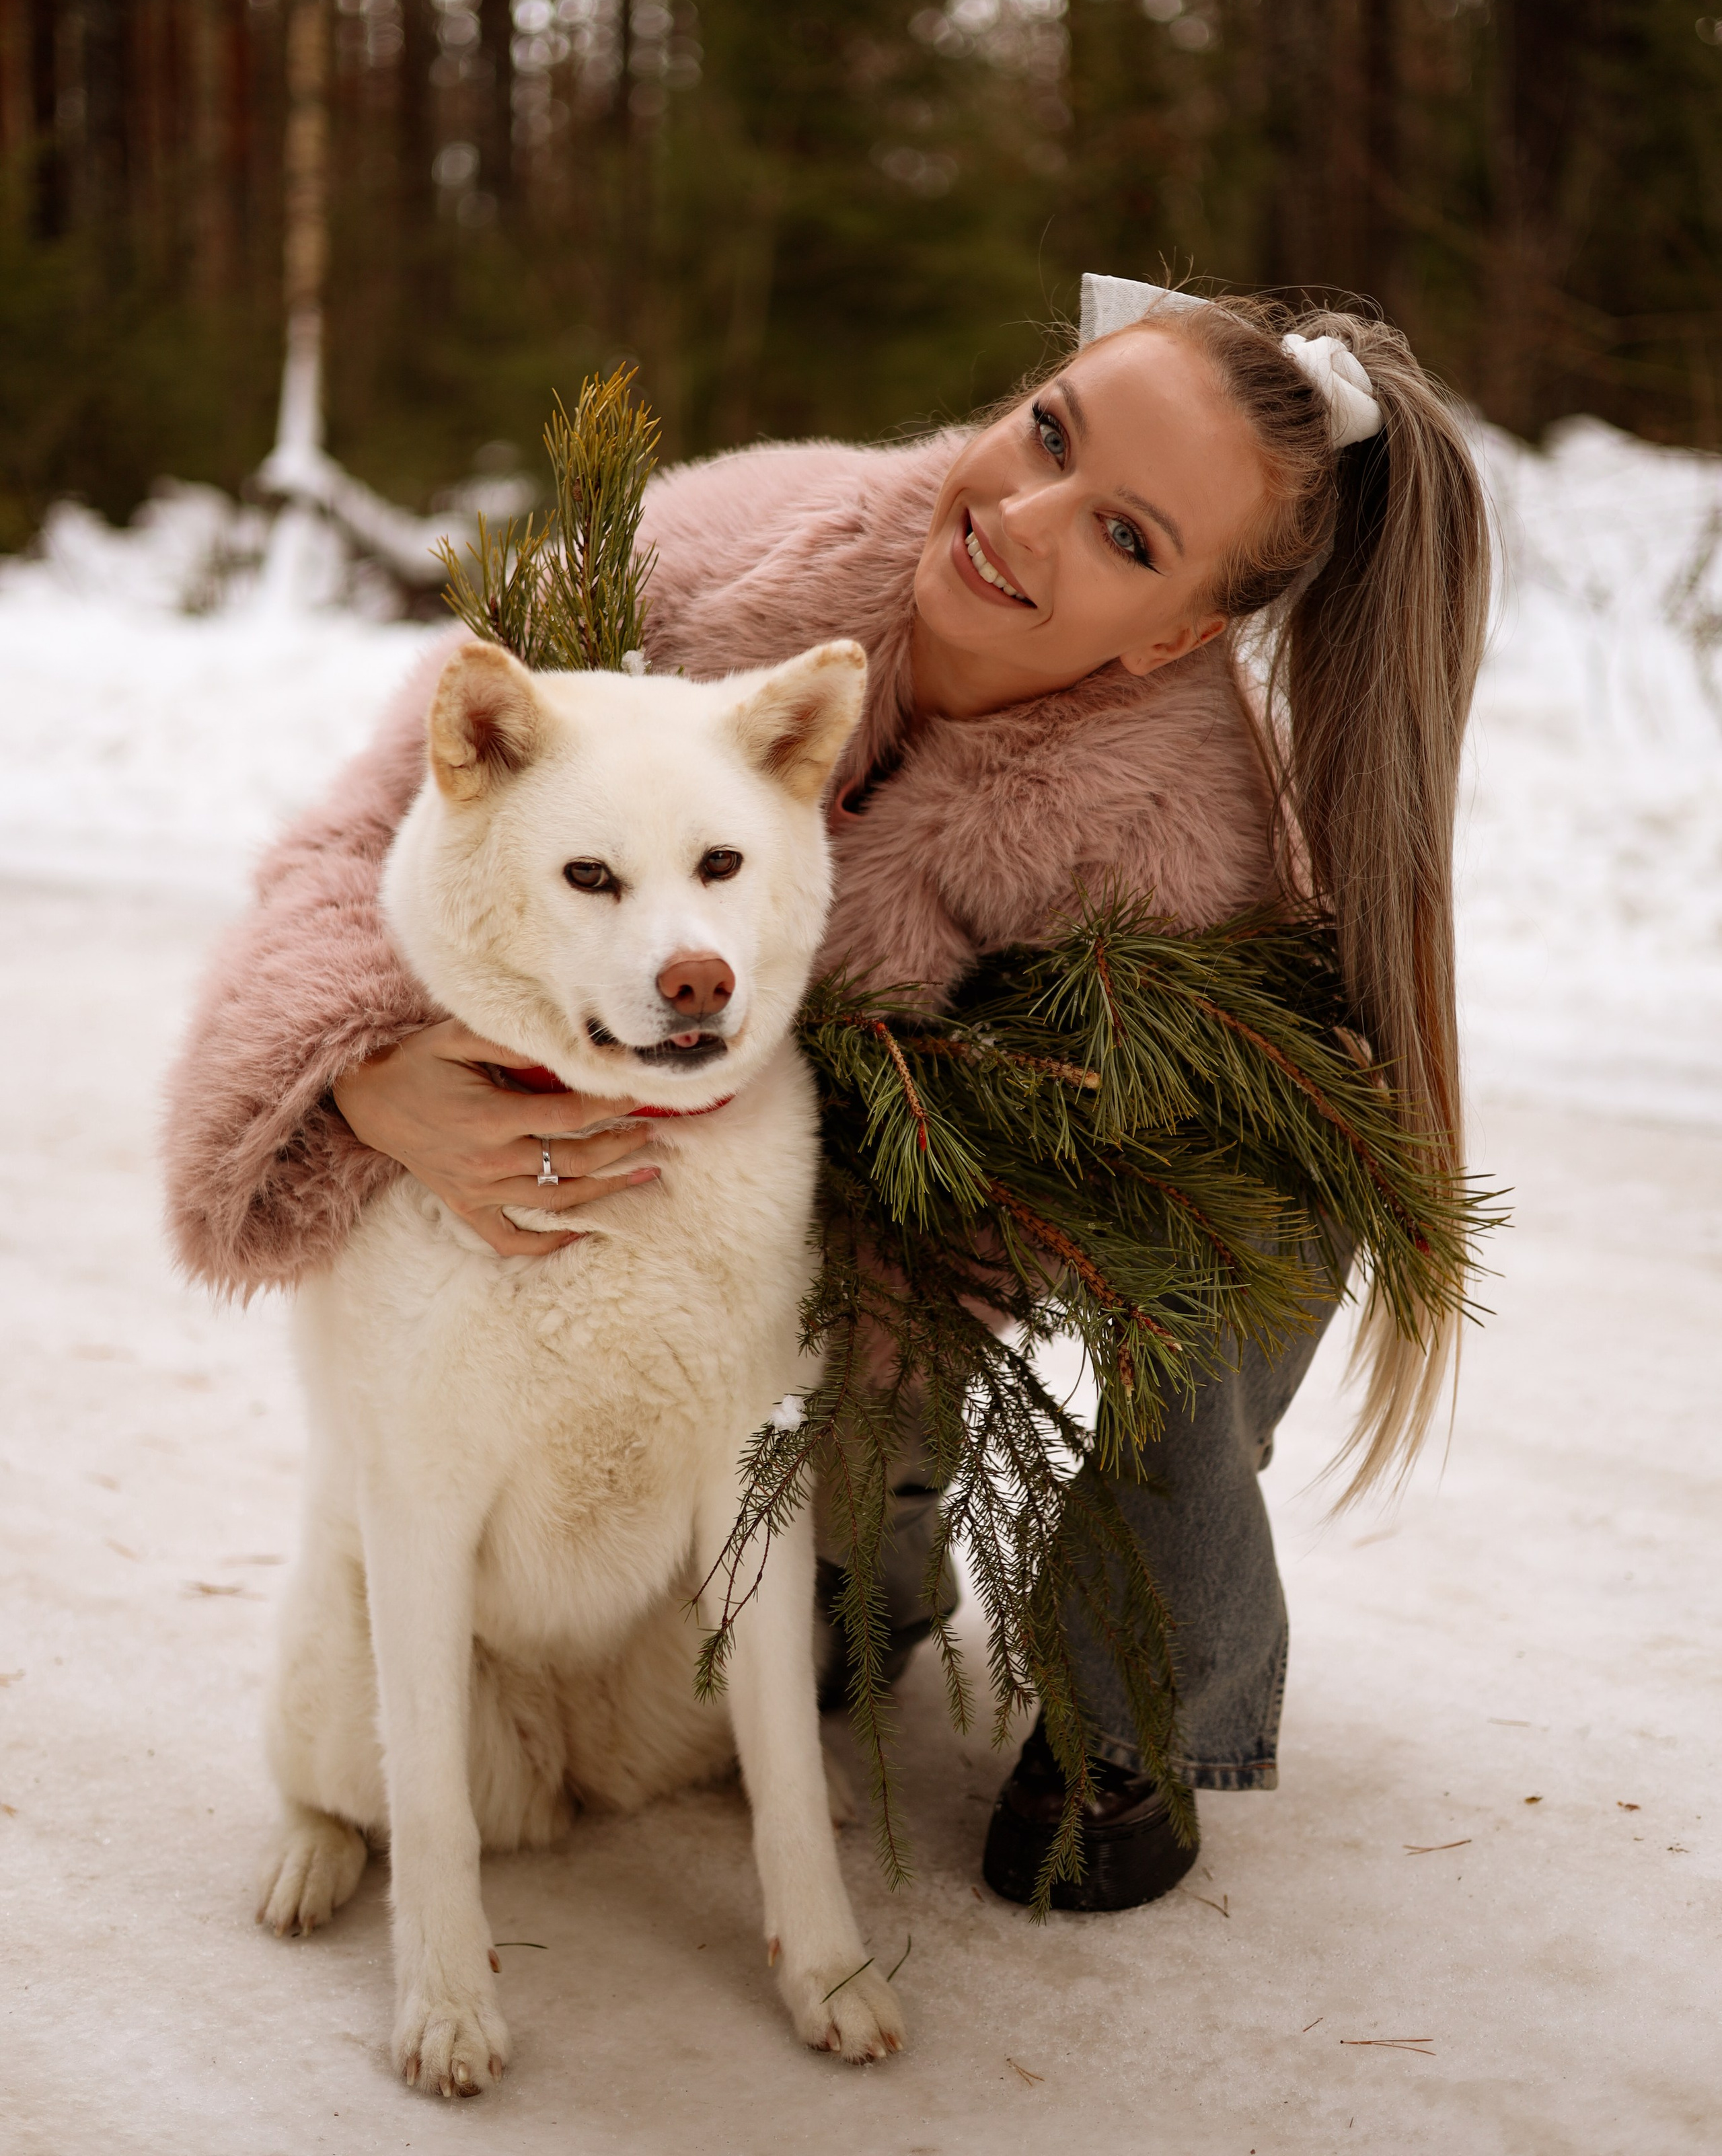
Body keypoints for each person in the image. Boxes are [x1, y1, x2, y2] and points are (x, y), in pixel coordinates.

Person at [164, 276, 1490, 1914]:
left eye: (1127, 537)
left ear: (1175, 632)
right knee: (755, 1565)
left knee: (1246, 1217)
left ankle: (1131, 1689)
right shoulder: (708, 551)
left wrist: (828, 1388)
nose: (1024, 516)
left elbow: (991, 1199)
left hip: (952, 1182)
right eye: (1046, 435)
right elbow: (352, 841)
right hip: (762, 1133)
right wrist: (356, 1070)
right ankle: (864, 1568)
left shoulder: (1178, 840)